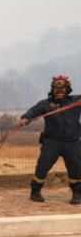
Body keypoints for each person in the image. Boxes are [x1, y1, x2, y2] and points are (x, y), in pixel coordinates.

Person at [19, 75, 81, 204]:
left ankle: (77, 194)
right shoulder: (45, 104)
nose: (59, 90)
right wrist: (26, 118)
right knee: (43, 166)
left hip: (72, 142)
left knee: (77, 168)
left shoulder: (76, 101)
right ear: (52, 89)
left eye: (63, 88)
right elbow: (33, 112)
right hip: (52, 142)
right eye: (56, 88)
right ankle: (35, 192)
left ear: (68, 89)